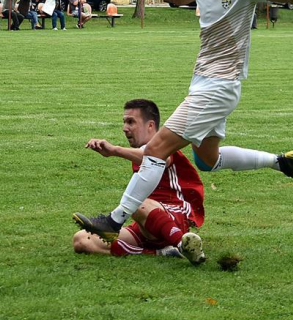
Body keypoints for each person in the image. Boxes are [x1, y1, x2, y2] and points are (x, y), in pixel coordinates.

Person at [72, 0, 293, 242]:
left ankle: (115, 219)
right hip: (204, 82)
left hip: (220, 86)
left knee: (155, 149)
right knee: (208, 160)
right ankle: (281, 162)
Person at [73, 99, 206, 265]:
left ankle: (182, 243)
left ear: (150, 125)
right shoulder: (140, 151)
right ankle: (160, 253)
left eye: (131, 122)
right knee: (81, 240)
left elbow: (157, 159)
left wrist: (114, 150)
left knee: (136, 203)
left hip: (174, 216)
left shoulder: (164, 147)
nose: (125, 128)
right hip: (147, 220)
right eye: (124, 122)